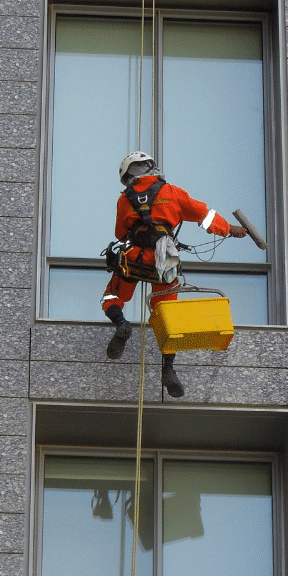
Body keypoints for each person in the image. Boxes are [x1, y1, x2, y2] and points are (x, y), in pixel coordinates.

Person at [101, 152, 247, 399]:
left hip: (135, 258)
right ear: (151, 168)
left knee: (111, 297)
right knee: (165, 314)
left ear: (128, 176)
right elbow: (204, 215)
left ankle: (122, 324)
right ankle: (168, 369)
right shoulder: (172, 192)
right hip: (163, 259)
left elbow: (119, 233)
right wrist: (230, 230)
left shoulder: (124, 200)